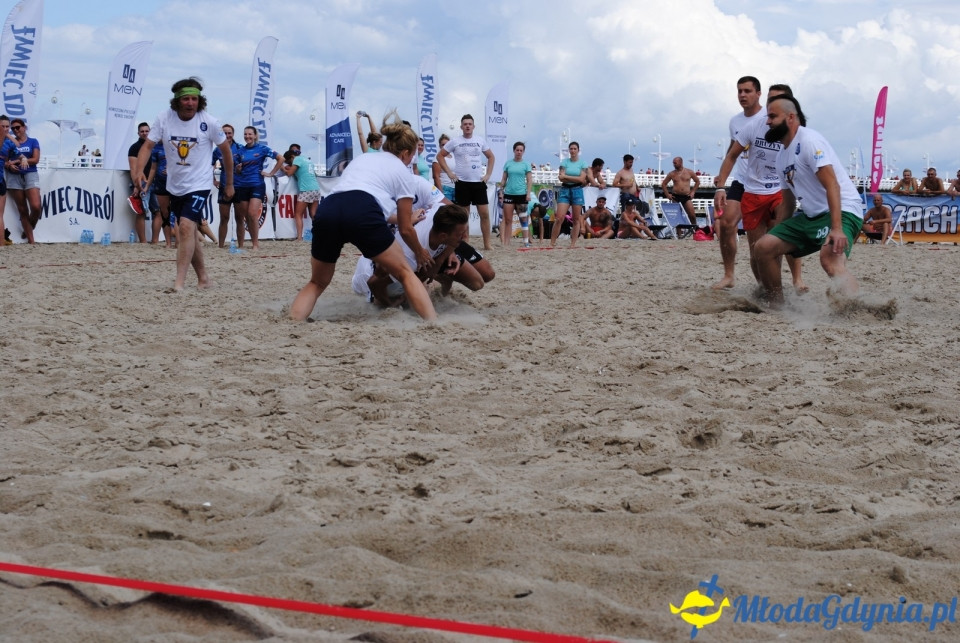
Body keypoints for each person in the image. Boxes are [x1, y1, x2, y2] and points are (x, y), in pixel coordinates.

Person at [290, 111, 438, 322]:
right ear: (405, 153)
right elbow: (405, 229)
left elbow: (371, 206)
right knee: (406, 273)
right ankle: (433, 322)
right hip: (362, 209)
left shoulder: (365, 158)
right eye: (412, 154)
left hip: (329, 208)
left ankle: (294, 322)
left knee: (317, 282)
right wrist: (420, 252)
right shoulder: (404, 172)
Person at [753, 95, 863, 307]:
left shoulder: (809, 141)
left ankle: (856, 308)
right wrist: (776, 232)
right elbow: (787, 202)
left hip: (843, 209)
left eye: (772, 117)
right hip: (812, 216)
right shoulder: (781, 156)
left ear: (791, 117)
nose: (767, 122)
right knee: (763, 247)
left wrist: (837, 229)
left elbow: (833, 185)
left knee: (830, 260)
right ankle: (777, 306)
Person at [133, 76, 235, 291]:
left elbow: (226, 153)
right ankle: (204, 278)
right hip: (175, 185)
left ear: (200, 101)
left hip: (200, 184)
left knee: (186, 228)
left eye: (195, 99)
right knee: (189, 234)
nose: (190, 103)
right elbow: (148, 146)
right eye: (186, 99)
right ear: (177, 101)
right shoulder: (164, 118)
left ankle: (179, 282)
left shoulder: (210, 122)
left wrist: (229, 183)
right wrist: (138, 173)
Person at [713, 83, 806, 292]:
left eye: (778, 100)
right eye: (771, 101)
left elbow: (807, 163)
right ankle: (763, 287)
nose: (773, 104)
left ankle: (796, 280)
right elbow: (732, 154)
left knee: (782, 236)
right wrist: (721, 186)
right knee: (755, 247)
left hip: (780, 190)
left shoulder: (799, 132)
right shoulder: (751, 125)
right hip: (751, 187)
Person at [712, 76, 767, 288]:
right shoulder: (735, 121)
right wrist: (722, 177)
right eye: (739, 91)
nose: (742, 95)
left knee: (763, 236)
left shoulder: (768, 116)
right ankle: (729, 276)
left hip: (767, 184)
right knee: (726, 224)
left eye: (747, 91)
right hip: (742, 181)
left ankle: (787, 279)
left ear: (758, 93)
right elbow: (732, 150)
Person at [437, 114, 495, 250]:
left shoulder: (480, 140)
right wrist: (449, 173)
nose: (467, 126)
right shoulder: (455, 141)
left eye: (470, 124)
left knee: (484, 214)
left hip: (478, 182)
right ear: (461, 127)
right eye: (465, 124)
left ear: (473, 126)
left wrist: (488, 175)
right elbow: (440, 156)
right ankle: (466, 241)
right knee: (464, 215)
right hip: (462, 182)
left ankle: (487, 244)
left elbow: (491, 157)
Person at [233, 126, 282, 250]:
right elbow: (236, 171)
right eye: (245, 134)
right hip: (243, 185)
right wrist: (237, 170)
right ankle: (244, 244)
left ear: (255, 136)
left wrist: (271, 173)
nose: (247, 136)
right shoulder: (240, 151)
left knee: (252, 214)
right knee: (245, 216)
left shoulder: (262, 149)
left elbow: (281, 159)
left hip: (257, 185)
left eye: (250, 134)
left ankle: (255, 244)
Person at [5, 118, 41, 244]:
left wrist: (17, 161)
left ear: (24, 127)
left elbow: (35, 159)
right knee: (22, 209)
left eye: (17, 127)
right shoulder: (9, 142)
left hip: (30, 173)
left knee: (36, 206)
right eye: (13, 128)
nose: (15, 130)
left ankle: (29, 228)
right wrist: (9, 165)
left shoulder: (32, 141)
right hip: (14, 176)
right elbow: (4, 160)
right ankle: (32, 241)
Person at [550, 141, 590, 248]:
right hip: (565, 189)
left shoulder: (583, 163)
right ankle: (552, 242)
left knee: (576, 219)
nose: (572, 151)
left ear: (578, 150)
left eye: (574, 149)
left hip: (577, 189)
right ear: (569, 150)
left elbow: (582, 179)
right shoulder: (564, 162)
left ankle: (573, 244)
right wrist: (573, 178)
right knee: (559, 218)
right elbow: (560, 177)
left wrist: (566, 177)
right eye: (571, 149)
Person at [282, 144, 321, 241]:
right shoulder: (307, 160)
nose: (290, 164)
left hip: (306, 190)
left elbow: (289, 173)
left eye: (289, 162)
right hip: (316, 189)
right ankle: (320, 235)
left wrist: (281, 167)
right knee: (313, 214)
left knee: (298, 214)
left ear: (292, 157)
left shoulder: (297, 159)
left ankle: (299, 238)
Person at [213, 124, 243, 247]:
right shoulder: (217, 150)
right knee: (224, 218)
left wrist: (240, 169)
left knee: (239, 218)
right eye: (225, 133)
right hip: (224, 186)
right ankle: (220, 245)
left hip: (239, 185)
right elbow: (211, 165)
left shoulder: (240, 148)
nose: (227, 135)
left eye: (229, 133)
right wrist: (214, 178)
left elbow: (246, 166)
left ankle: (241, 245)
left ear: (233, 134)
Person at [499, 141, 533, 247]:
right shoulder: (508, 163)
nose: (519, 152)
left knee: (523, 218)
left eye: (521, 150)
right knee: (508, 220)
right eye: (517, 150)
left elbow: (529, 180)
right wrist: (501, 190)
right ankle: (506, 242)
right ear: (514, 150)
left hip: (521, 194)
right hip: (509, 194)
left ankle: (526, 241)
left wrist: (528, 194)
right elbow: (504, 178)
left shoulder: (526, 164)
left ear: (523, 152)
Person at [127, 122, 153, 242]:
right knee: (141, 212)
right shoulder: (134, 147)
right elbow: (133, 169)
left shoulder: (155, 146)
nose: (144, 133)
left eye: (147, 131)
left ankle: (155, 241)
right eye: (142, 131)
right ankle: (143, 241)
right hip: (142, 183)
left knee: (158, 212)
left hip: (155, 182)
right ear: (138, 133)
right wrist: (137, 185)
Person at [661, 156, 702, 232]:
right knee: (677, 216)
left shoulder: (689, 172)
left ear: (680, 162)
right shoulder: (672, 173)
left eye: (675, 163)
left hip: (686, 196)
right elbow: (663, 184)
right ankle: (679, 233)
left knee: (692, 215)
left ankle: (695, 230)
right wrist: (667, 194)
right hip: (675, 197)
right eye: (673, 163)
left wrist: (693, 192)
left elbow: (697, 181)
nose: (674, 164)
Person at [147, 140, 175, 247]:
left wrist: (171, 169)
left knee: (178, 212)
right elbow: (153, 168)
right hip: (160, 183)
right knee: (164, 213)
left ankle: (178, 242)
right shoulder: (156, 148)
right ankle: (168, 243)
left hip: (176, 182)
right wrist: (148, 186)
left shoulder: (175, 144)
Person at [432, 133, 455, 201]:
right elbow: (436, 177)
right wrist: (441, 193)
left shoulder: (454, 156)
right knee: (447, 211)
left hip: (456, 188)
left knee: (457, 211)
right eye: (443, 145)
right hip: (445, 188)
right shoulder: (437, 158)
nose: (445, 146)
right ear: (439, 146)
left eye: (447, 144)